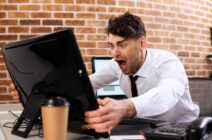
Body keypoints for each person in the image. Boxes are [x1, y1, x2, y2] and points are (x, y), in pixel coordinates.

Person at [10, 12, 199, 133]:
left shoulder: (168, 62)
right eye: (111, 45)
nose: (115, 53)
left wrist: (125, 107)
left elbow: (167, 93)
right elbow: (83, 83)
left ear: (142, 43)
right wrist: (37, 89)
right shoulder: (116, 64)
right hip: (146, 129)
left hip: (185, 130)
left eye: (122, 45)